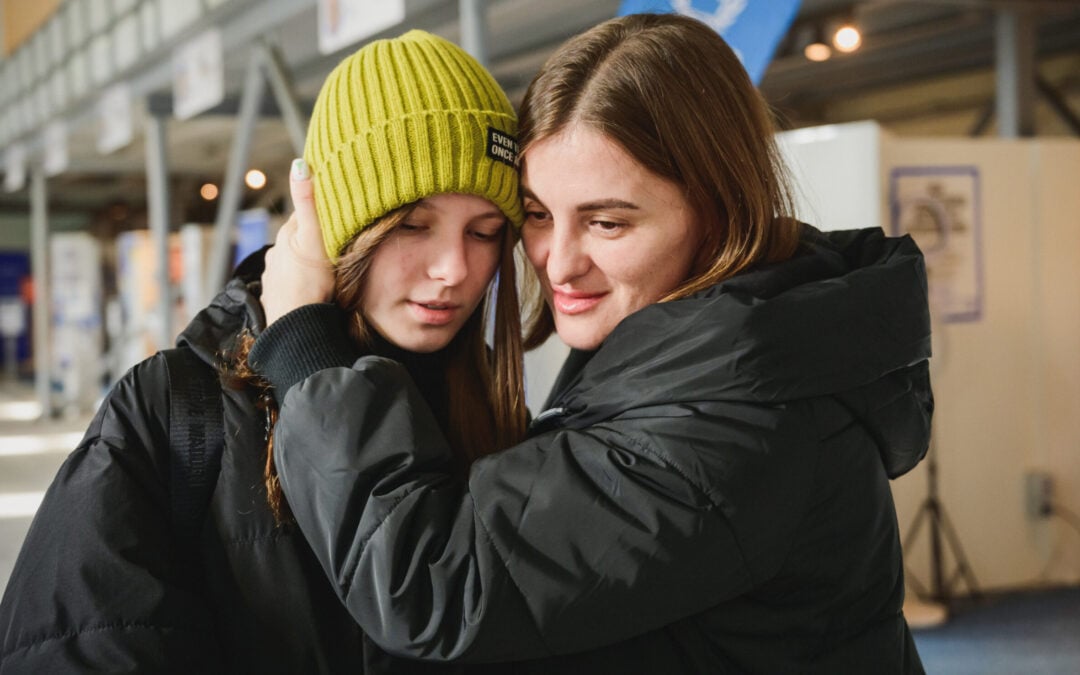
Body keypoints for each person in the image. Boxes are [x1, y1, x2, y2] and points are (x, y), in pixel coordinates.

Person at [256, 12, 932, 675]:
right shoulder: (692, 351)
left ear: (719, 212)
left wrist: (302, 344)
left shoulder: (733, 419)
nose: (556, 262)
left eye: (607, 222)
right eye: (539, 216)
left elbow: (434, 583)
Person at [0, 30, 528, 674]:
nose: (455, 268)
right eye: (412, 225)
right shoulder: (174, 409)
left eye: (485, 232)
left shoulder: (501, 419)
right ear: (332, 224)